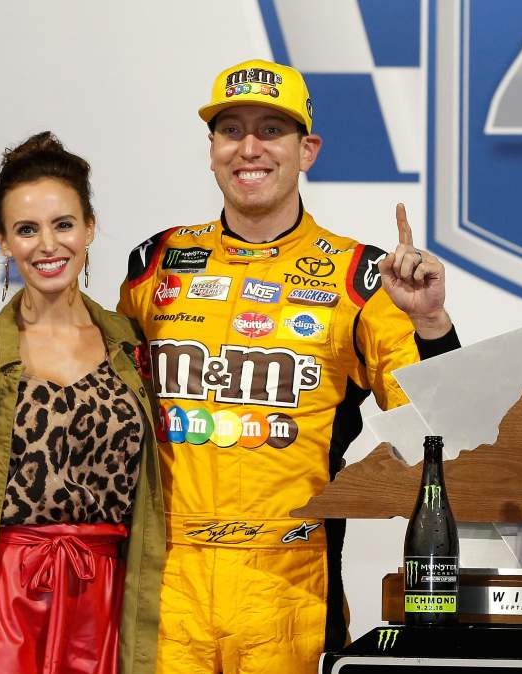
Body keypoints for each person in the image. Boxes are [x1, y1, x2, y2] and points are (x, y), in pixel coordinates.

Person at [118, 60, 461, 673]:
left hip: (290, 595)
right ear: (212, 150)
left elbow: (441, 432)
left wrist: (431, 322)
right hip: (165, 591)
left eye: (271, 130)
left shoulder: (361, 278)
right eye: (231, 130)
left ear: (307, 150)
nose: (249, 148)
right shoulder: (155, 265)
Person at [0, 132, 165, 674]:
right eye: (26, 229)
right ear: (2, 240)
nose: (47, 245)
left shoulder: (135, 347)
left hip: (109, 602)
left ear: (89, 227)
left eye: (63, 224)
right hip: (3, 603)